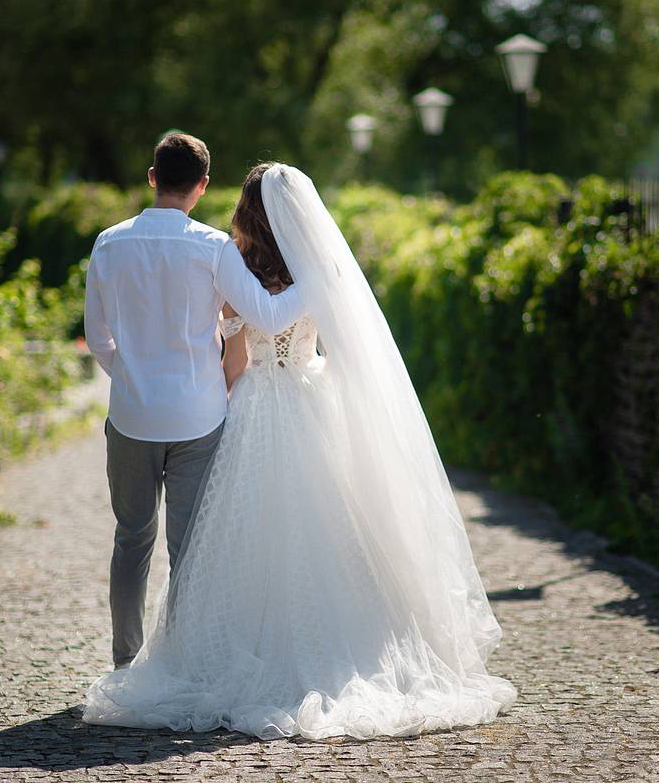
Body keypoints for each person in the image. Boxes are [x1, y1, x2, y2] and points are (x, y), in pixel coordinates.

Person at [83, 162, 516, 740]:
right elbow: (347, 356)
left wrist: (216, 393)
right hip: (312, 405)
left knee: (211, 540)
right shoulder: (324, 272)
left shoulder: (232, 262)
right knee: (330, 535)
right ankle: (339, 646)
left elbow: (234, 363)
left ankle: (166, 654)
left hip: (247, 409)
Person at [82, 134, 306, 671]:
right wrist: (321, 280)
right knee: (189, 550)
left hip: (132, 417)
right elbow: (269, 317)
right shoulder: (214, 248)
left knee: (131, 541)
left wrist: (132, 377)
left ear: (152, 177)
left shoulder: (109, 244)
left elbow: (96, 339)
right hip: (199, 418)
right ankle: (180, 663)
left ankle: (125, 662)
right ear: (202, 187)